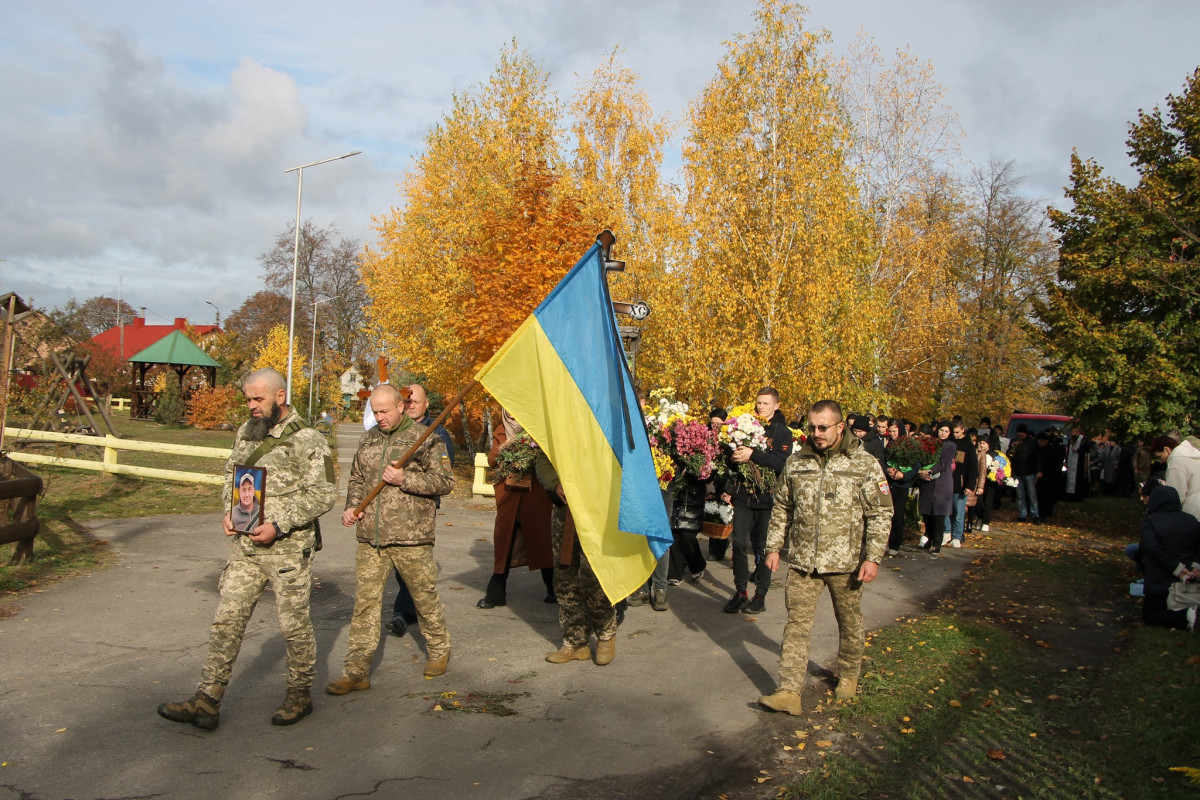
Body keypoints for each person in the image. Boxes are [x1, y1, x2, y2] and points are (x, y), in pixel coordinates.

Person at [157, 368, 337, 730]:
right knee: (227, 620)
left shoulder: (309, 440)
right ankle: (207, 700)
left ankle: (299, 694)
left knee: (293, 626)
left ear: (280, 396)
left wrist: (279, 523)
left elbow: (323, 493)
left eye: (258, 399)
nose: (252, 406)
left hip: (288, 550)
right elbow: (231, 475)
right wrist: (228, 510)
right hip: (246, 548)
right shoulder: (246, 432)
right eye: (248, 400)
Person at [756, 399, 892, 715]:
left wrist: (872, 556)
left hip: (846, 563)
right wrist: (774, 547)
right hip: (803, 561)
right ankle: (789, 691)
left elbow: (881, 511)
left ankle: (848, 674)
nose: (816, 433)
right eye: (812, 427)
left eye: (823, 427)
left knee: (849, 620)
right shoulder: (797, 463)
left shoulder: (864, 464)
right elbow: (782, 507)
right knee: (796, 625)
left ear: (840, 427)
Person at [326, 383, 456, 695]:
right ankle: (356, 671)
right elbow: (358, 478)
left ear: (401, 406)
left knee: (424, 598)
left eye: (384, 411)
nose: (379, 417)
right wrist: (351, 508)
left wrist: (404, 479)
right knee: (366, 605)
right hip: (371, 538)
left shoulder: (427, 438)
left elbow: (445, 482)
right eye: (375, 411)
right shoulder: (369, 438)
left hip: (412, 536)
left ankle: (439, 650)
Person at [535, 451, 619, 666]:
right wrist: (555, 484)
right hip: (566, 512)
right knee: (565, 577)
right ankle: (575, 643)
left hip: (600, 510)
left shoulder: (603, 420)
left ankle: (606, 635)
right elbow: (543, 459)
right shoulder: (559, 421)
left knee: (594, 576)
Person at [386, 383, 455, 638]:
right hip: (390, 511)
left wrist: (407, 479)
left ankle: (404, 614)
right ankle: (410, 609)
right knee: (398, 564)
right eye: (408, 400)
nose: (411, 404)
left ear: (426, 405)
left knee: (412, 564)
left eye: (416, 401)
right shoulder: (391, 431)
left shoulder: (437, 434)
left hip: (419, 512)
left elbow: (444, 478)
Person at [721, 388, 794, 615]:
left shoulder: (783, 433)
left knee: (763, 546)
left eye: (765, 403)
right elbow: (731, 457)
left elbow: (781, 464)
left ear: (776, 406)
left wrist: (753, 454)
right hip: (744, 494)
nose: (760, 407)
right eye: (758, 403)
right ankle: (741, 591)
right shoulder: (745, 424)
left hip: (768, 497)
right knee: (739, 543)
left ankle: (760, 594)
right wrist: (734, 457)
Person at [478, 410, 555, 609]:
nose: (511, 414)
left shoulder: (537, 430)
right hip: (509, 496)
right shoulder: (500, 430)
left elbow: (548, 460)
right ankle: (496, 592)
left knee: (541, 540)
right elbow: (491, 461)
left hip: (535, 496)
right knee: (505, 541)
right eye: (507, 410)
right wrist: (506, 446)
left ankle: (554, 589)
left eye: (515, 409)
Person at [1139, 484, 1200, 630]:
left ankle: (1187, 618)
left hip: (1160, 582)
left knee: (1151, 615)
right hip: (1187, 583)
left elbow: (1152, 549)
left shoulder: (1151, 521)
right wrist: (1195, 566)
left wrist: (1177, 569)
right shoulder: (1191, 521)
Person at [918, 422, 955, 554]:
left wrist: (930, 471)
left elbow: (944, 463)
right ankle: (929, 537)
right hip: (928, 482)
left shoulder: (950, 446)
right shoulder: (931, 443)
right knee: (927, 513)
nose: (943, 433)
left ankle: (937, 542)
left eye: (946, 431)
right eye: (941, 430)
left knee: (939, 514)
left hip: (942, 482)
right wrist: (922, 472)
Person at [884, 424, 917, 556]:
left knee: (898, 515)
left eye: (895, 431)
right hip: (888, 483)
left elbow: (915, 467)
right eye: (890, 431)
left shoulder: (910, 446)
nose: (892, 434)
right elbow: (884, 461)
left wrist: (903, 475)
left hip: (902, 485)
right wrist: (888, 469)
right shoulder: (887, 446)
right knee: (886, 513)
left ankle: (895, 544)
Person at [946, 422, 979, 547]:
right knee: (947, 511)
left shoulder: (968, 446)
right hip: (948, 482)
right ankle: (947, 532)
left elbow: (973, 468)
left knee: (959, 513)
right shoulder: (950, 443)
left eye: (957, 432)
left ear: (963, 431)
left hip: (961, 484)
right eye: (953, 432)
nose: (955, 435)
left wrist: (969, 485)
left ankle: (957, 536)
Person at [1153, 435, 1200, 521]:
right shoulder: (1195, 454)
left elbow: (1175, 496)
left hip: (1192, 514)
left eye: (1159, 456)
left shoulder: (1175, 460)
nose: (1161, 461)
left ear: (1166, 449)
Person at [706, 408, 730, 562]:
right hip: (710, 479)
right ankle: (713, 549)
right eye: (713, 423)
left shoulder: (727, 438)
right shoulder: (707, 436)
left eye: (718, 424)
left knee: (722, 514)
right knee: (711, 512)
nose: (715, 426)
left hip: (724, 479)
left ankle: (720, 548)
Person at [1007, 424, 1041, 523]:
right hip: (1017, 472)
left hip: (1029, 472)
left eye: (1022, 432)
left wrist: (1038, 470)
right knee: (1020, 495)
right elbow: (1009, 455)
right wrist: (1011, 449)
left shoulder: (1032, 442)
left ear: (1025, 433)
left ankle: (1035, 514)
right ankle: (1022, 514)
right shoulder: (1014, 441)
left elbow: (1037, 457)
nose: (1020, 434)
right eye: (1019, 432)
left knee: (1032, 494)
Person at [1035, 431, 1066, 520]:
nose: (1040, 443)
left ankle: (1045, 513)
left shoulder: (1052, 450)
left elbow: (1053, 463)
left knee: (1047, 496)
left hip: (1050, 477)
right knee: (1040, 496)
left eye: (1041, 441)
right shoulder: (1037, 449)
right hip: (1040, 476)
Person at [1064, 424, 1092, 501]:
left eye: (1074, 431)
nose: (1073, 433)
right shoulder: (1071, 440)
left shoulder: (1082, 440)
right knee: (1069, 479)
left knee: (1078, 480)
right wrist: (1066, 461)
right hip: (1071, 462)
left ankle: (1077, 496)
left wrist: (1077, 450)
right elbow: (1068, 451)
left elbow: (1087, 450)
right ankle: (1069, 495)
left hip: (1078, 463)